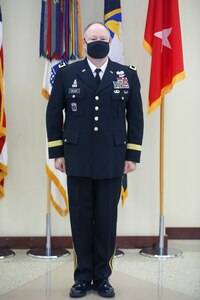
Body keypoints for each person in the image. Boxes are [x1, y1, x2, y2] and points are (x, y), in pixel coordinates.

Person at [46, 22, 144, 298]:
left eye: (103, 37)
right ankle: (82, 277)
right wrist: (57, 153)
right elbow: (54, 115)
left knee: (106, 221)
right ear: (84, 42)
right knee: (80, 220)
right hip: (75, 159)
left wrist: (132, 155)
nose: (98, 41)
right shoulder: (67, 74)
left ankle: (102, 278)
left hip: (113, 160)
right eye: (93, 38)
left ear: (110, 41)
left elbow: (135, 117)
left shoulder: (125, 74)